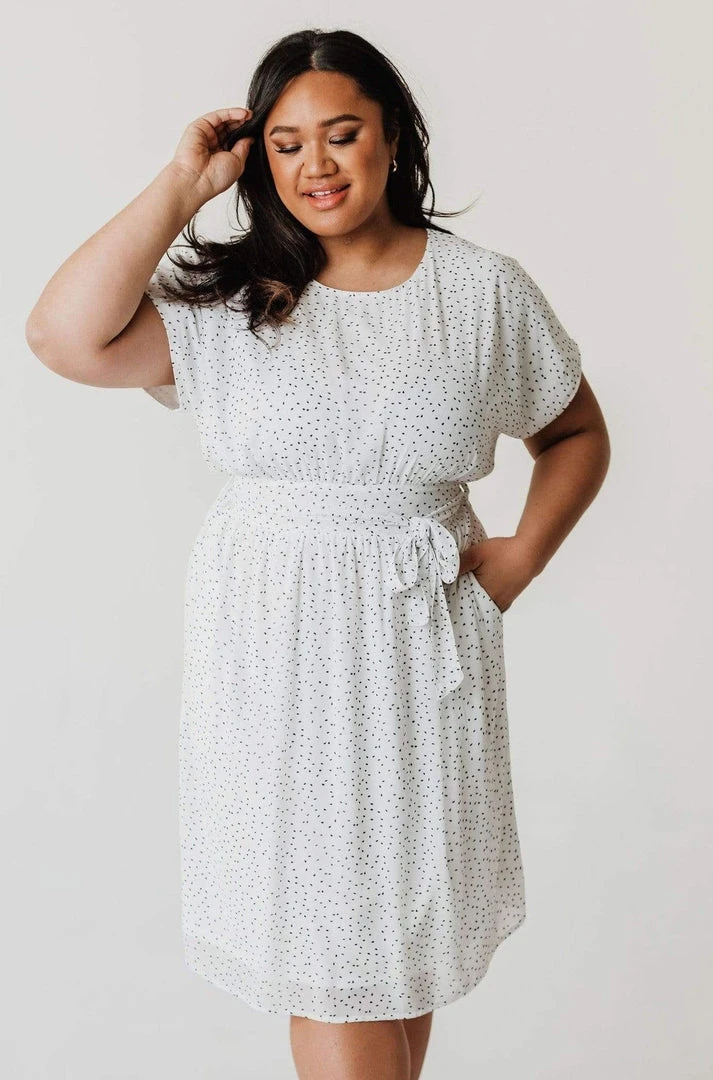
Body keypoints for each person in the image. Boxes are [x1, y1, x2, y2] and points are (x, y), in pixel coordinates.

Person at [25, 27, 610, 1080]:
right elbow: (61, 337)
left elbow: (572, 431)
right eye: (286, 144)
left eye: (341, 134)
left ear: (394, 136)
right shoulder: (235, 298)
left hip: (424, 657)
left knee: (399, 945)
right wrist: (181, 185)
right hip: (276, 661)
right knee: (329, 952)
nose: (316, 166)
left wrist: (522, 557)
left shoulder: (483, 292)